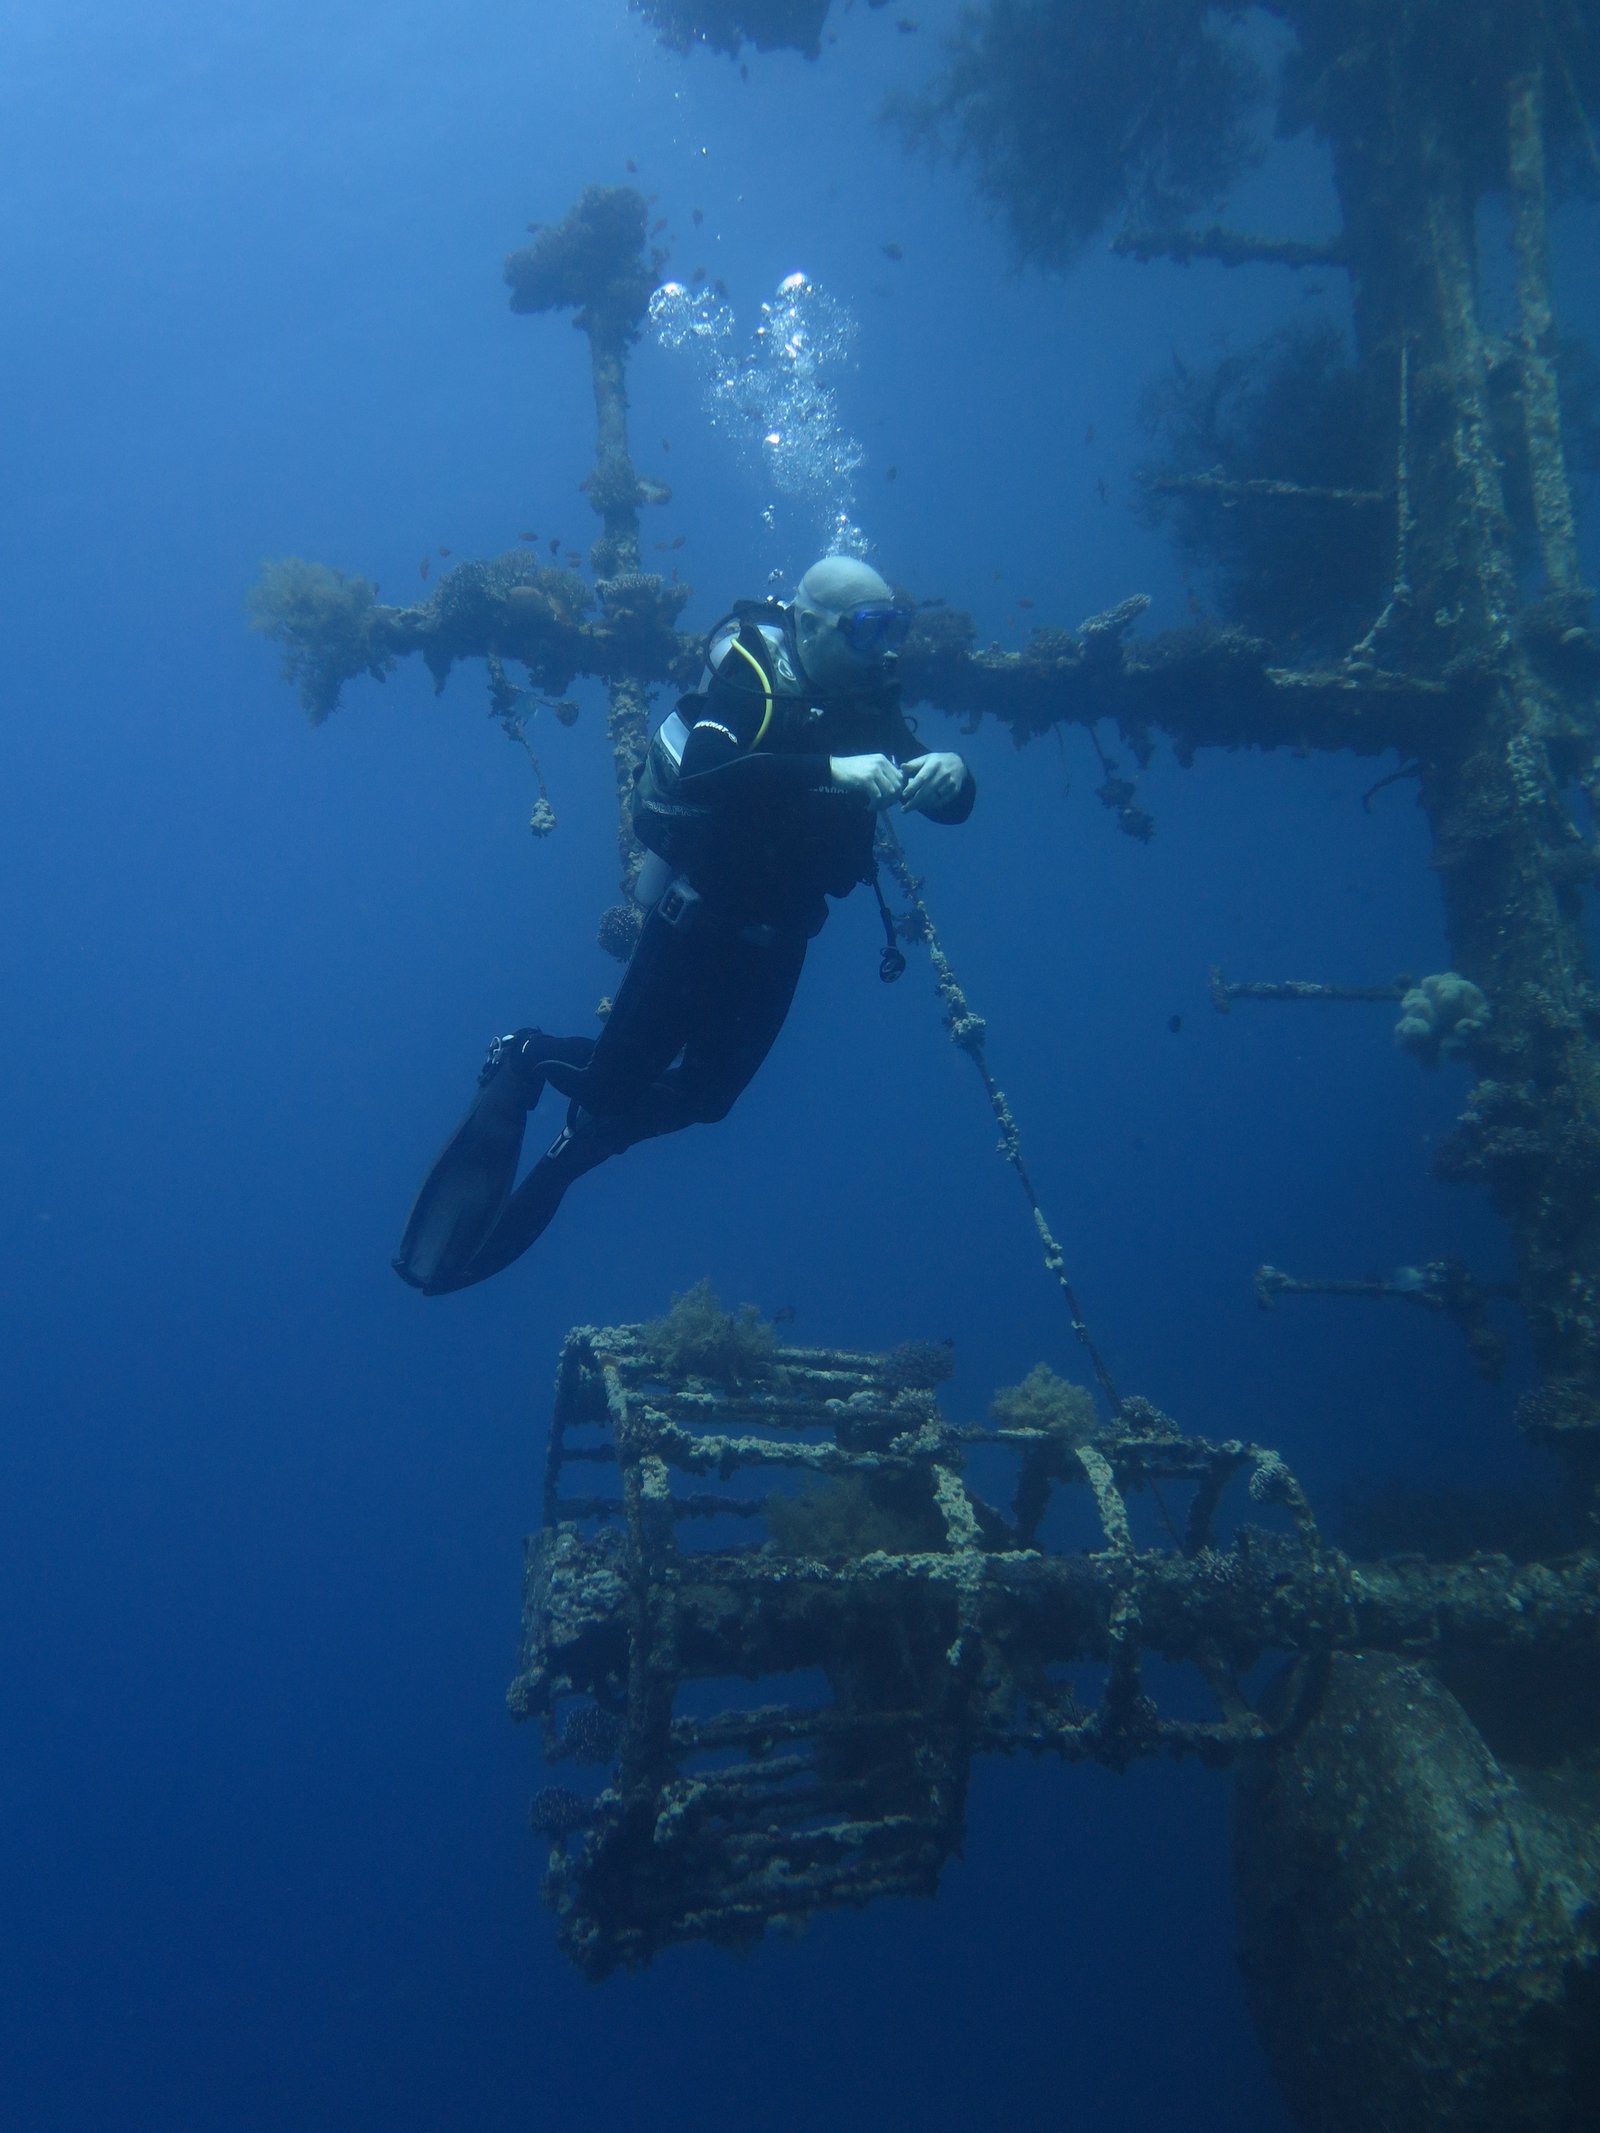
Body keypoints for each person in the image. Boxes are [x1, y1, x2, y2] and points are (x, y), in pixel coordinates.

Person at [393, 554, 975, 1295]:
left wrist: (955, 775)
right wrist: (834, 768)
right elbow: (704, 771)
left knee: (710, 1099)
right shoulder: (748, 677)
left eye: (895, 626)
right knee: (608, 1081)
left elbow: (952, 802)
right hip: (694, 926)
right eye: (867, 628)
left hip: (783, 940)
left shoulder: (871, 703)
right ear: (807, 624)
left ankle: (591, 1137)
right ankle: (529, 1055)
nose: (886, 647)